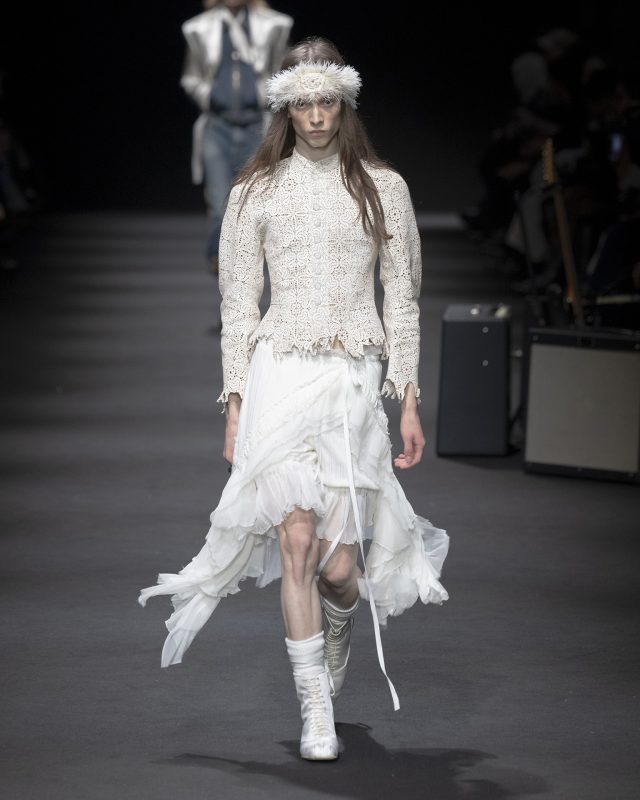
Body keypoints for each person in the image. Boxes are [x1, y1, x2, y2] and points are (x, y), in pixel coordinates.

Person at [139, 36, 449, 762]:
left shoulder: (385, 187)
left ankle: (339, 623)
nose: (315, 116)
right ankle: (315, 708)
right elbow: (240, 303)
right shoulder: (256, 191)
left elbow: (402, 301)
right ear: (288, 107)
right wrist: (236, 401)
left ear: (345, 103)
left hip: (349, 383)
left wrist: (408, 399)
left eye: (327, 102)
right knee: (296, 539)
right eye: (303, 103)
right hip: (280, 372)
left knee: (342, 570)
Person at [180, 0, 294, 273]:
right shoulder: (198, 29)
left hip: (256, 125)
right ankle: (223, 266)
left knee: (252, 205)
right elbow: (191, 77)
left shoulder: (275, 26)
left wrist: (261, 96)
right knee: (221, 204)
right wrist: (210, 96)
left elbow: (284, 71)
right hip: (216, 127)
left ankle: (240, 271)